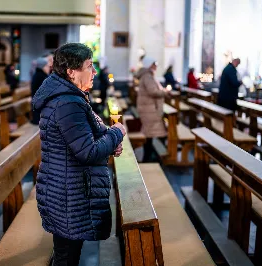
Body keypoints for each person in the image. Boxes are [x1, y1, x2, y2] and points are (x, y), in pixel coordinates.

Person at [32, 43, 126, 266]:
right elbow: (88, 151)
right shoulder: (67, 102)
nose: (94, 72)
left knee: (67, 254)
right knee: (66, 257)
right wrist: (116, 133)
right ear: (71, 72)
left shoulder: (71, 96)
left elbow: (83, 137)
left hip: (67, 189)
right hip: (68, 194)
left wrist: (109, 143)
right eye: (89, 66)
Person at [136, 57, 170, 162]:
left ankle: (150, 157)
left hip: (149, 108)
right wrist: (165, 92)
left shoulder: (148, 75)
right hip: (149, 109)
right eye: (154, 63)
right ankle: (150, 158)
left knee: (150, 134)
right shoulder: (147, 76)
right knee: (151, 134)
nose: (156, 65)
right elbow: (153, 91)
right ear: (149, 65)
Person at [31, 57, 50, 124]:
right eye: (47, 66)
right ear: (43, 67)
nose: (49, 67)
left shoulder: (40, 75)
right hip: (39, 113)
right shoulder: (40, 77)